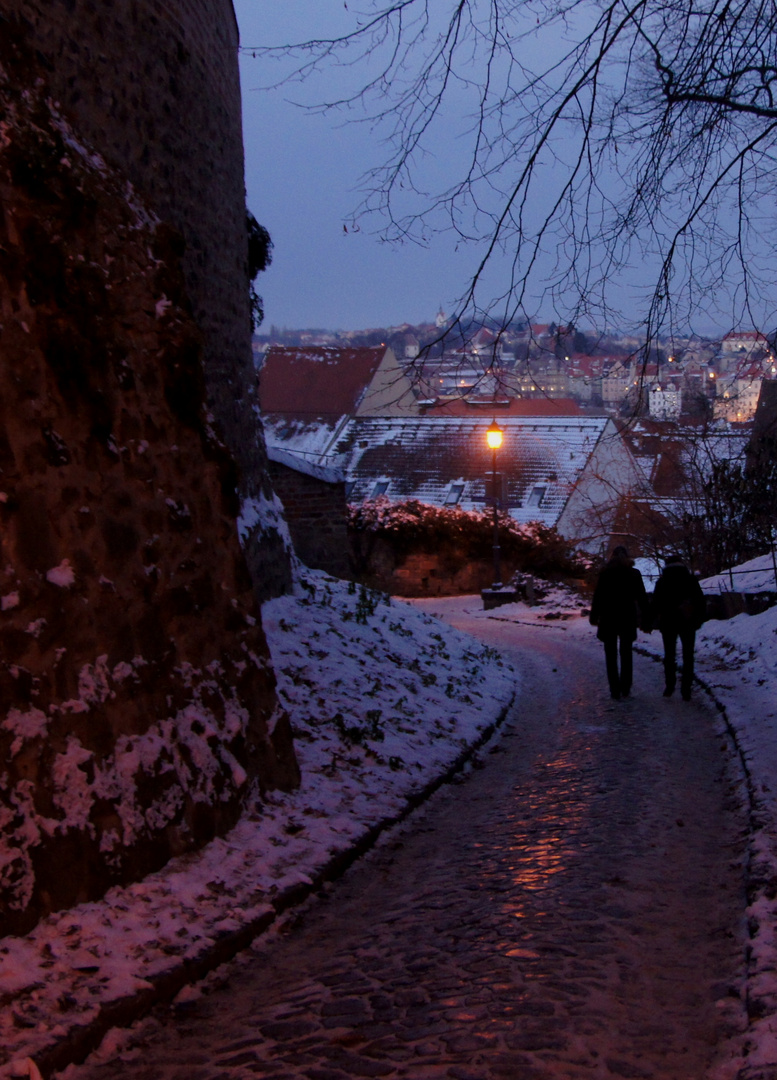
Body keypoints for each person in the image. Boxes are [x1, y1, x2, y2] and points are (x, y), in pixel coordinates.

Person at [589, 545, 650, 700]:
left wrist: (594, 615)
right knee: (626, 653)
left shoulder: (606, 573)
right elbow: (642, 597)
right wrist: (646, 617)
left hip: (609, 617)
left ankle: (614, 689)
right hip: (627, 617)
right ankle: (626, 686)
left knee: (610, 655)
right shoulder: (634, 574)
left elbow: (598, 596)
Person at [651, 554, 707, 700]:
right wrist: (698, 619)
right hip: (687, 621)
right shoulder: (690, 580)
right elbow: (700, 602)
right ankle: (686, 689)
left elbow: (655, 604)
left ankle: (670, 686)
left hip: (668, 622)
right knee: (688, 655)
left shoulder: (662, 582)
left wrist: (656, 619)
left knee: (669, 654)